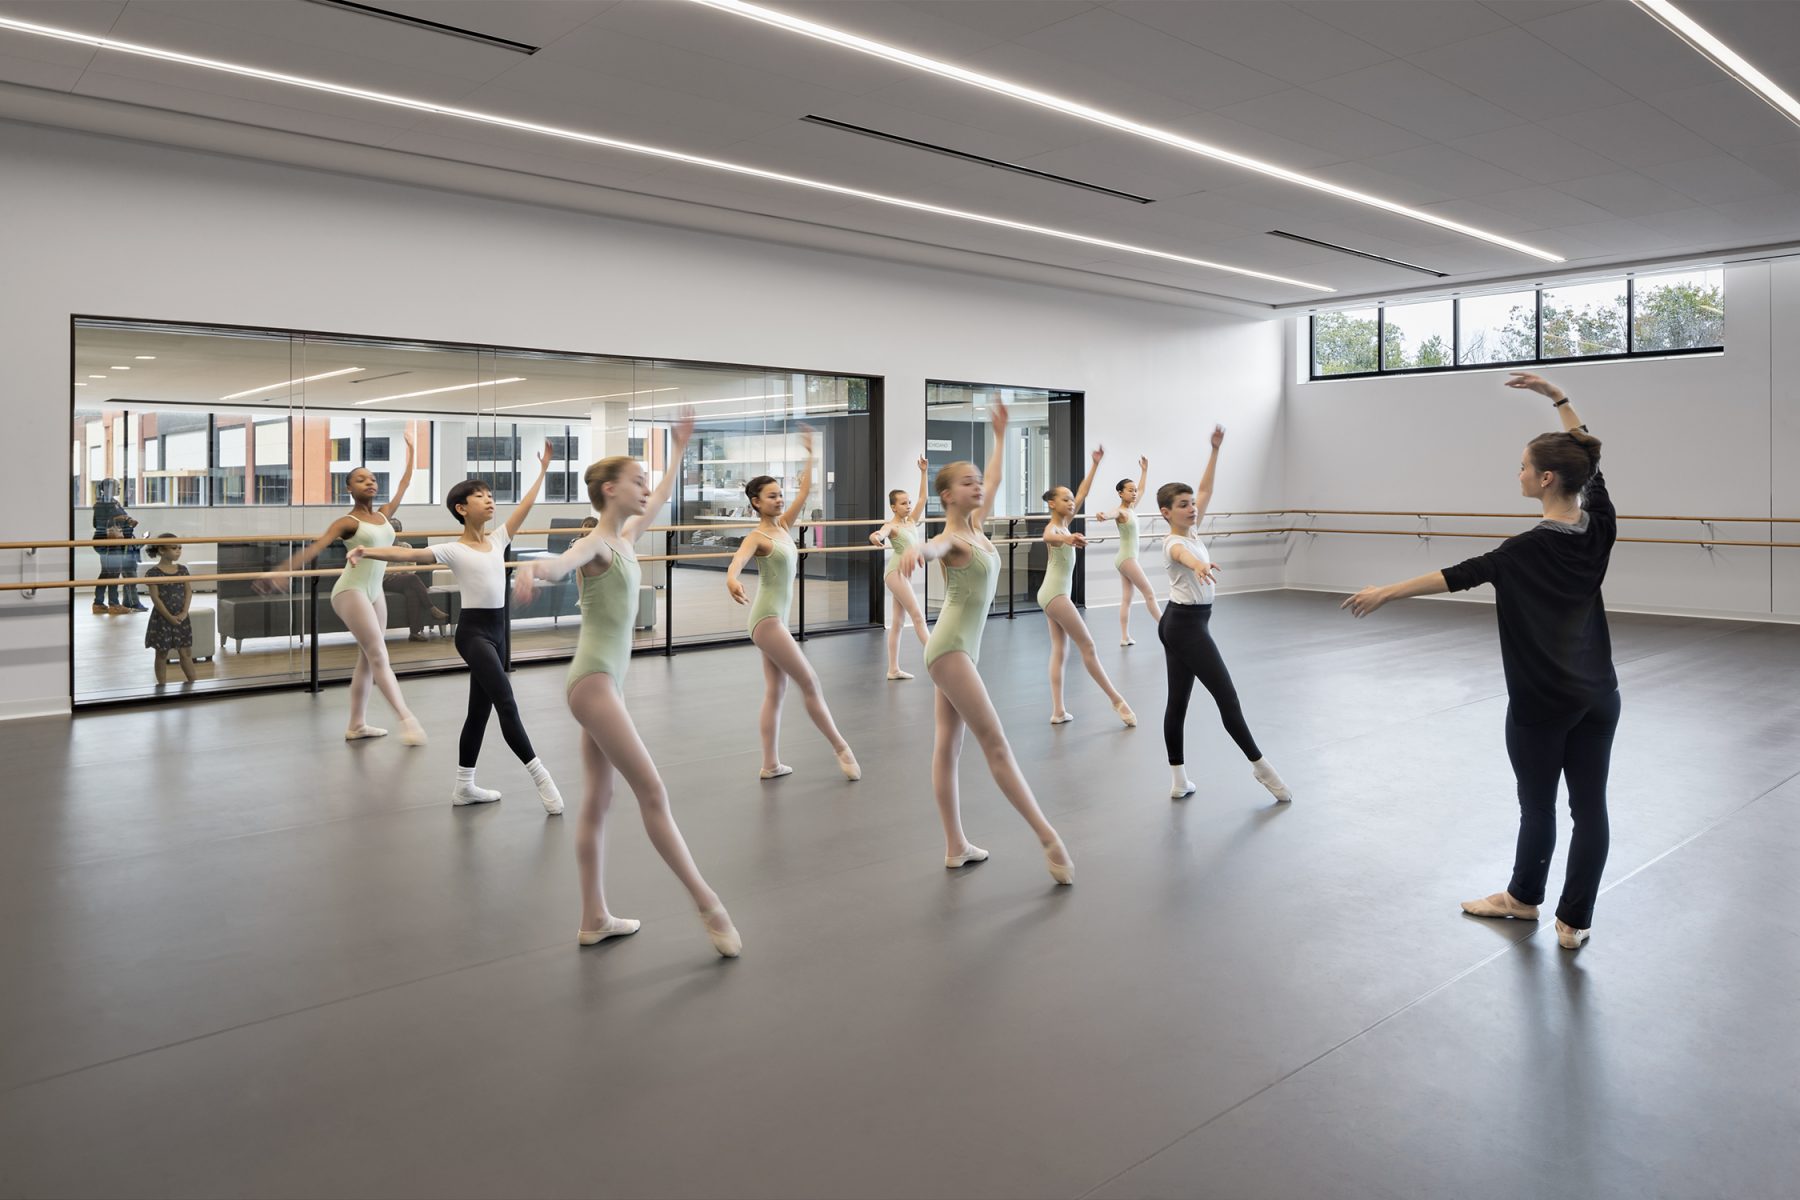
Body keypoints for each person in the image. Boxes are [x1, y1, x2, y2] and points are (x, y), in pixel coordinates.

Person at [1343, 372, 1615, 950]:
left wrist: (1384, 592)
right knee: (1590, 809)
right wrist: (1560, 399)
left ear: (1545, 479)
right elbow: (1591, 461)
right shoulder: (1601, 527)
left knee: (1538, 805)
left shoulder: (1525, 549)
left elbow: (1456, 576)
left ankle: (1522, 899)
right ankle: (1573, 923)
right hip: (1599, 695)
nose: (1516, 473)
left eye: (1522, 466)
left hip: (1542, 701)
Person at [514, 410, 741, 956]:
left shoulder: (627, 539)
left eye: (645, 480)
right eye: (636, 481)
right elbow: (559, 564)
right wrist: (529, 570)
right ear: (610, 490)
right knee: (653, 792)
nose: (645, 489)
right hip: (592, 683)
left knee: (597, 800)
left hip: (602, 683)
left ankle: (593, 917)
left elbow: (660, 498)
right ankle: (709, 905)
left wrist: (681, 449)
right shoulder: (595, 545)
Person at [897, 398, 1072, 884]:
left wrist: (1000, 435)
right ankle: (1048, 838)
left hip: (959, 648)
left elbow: (994, 479)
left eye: (978, 481)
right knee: (995, 743)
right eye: (966, 482)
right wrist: (917, 548)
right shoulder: (952, 538)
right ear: (947, 496)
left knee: (948, 747)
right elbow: (932, 547)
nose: (978, 486)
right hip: (949, 648)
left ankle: (955, 846)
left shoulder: (975, 526)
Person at [348, 444, 564, 814]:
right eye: (480, 497)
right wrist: (367, 552)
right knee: (506, 703)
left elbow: (525, 506)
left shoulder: (498, 540)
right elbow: (408, 555)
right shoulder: (452, 548)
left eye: (491, 496)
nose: (489, 501)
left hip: (500, 632)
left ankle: (465, 787)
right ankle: (542, 777)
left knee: (478, 712)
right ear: (462, 509)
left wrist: (543, 470)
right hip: (474, 634)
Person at [257, 433, 425, 746]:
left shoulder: (384, 515)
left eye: (373, 479)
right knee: (378, 655)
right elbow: (316, 546)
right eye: (361, 480)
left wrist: (413, 452)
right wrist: (281, 571)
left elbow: (404, 483)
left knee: (368, 659)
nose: (369, 483)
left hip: (375, 592)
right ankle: (407, 718)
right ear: (349, 488)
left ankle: (356, 724)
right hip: (351, 591)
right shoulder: (347, 522)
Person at [1157, 424, 1292, 804]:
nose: (1192, 507)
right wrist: (1198, 567)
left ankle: (1178, 779)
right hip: (1185, 627)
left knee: (1177, 702)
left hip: (1180, 623)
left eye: (1191, 504)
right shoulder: (1173, 543)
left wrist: (1214, 451)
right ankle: (1262, 767)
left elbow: (1206, 491)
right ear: (1166, 512)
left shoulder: (1193, 531)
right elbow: (1182, 557)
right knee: (1227, 698)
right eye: (1182, 505)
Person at [725, 427, 861, 782]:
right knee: (809, 681)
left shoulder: (784, 526)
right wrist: (731, 577)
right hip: (767, 620)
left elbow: (804, 492)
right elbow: (738, 559)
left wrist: (811, 457)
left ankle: (770, 764)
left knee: (776, 690)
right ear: (756, 501)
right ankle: (841, 747)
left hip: (775, 621)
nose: (779, 500)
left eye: (779, 494)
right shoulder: (757, 536)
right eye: (771, 496)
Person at [1037, 446, 1135, 727]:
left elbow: (1083, 492)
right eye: (1064, 499)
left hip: (1050, 594)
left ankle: (1058, 711)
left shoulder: (1066, 523)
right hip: (1055, 595)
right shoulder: (1056, 529)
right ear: (1052, 504)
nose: (1071, 502)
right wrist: (1067, 541)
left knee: (1060, 650)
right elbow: (1047, 536)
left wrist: (1094, 465)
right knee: (1088, 647)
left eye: (1070, 499)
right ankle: (1117, 700)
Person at [869, 454, 932, 680]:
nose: (908, 505)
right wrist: (876, 537)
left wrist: (923, 472)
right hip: (895, 573)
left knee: (897, 622)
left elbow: (923, 497)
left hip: (902, 574)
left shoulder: (911, 521)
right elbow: (880, 533)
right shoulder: (892, 525)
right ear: (893, 507)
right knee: (917, 616)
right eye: (904, 503)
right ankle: (938, 658)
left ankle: (893, 669)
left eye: (908, 502)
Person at [1093, 457, 1163, 646]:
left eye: (1134, 490)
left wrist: (1145, 471)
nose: (1134, 493)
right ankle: (1168, 630)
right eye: (1129, 491)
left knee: (1127, 598)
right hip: (1127, 559)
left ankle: (1124, 637)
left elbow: (1142, 490)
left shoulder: (1132, 508)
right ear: (1120, 493)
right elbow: (1111, 514)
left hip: (1124, 559)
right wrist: (1103, 515)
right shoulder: (1121, 511)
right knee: (1149, 593)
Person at [382, 517, 448, 641]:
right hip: (386, 580)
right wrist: (399, 574)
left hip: (404, 580)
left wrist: (402, 574)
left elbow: (413, 567)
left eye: (397, 530)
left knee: (412, 592)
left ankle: (414, 632)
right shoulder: (381, 547)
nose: (395, 533)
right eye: (392, 530)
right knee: (412, 579)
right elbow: (381, 569)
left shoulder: (406, 546)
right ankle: (431, 608)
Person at [143, 533, 196, 686]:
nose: (178, 551)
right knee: (161, 653)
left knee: (186, 652)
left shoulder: (183, 570)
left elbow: (188, 591)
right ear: (161, 550)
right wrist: (169, 617)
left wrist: (184, 612)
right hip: (162, 618)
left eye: (180, 548)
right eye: (174, 548)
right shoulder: (153, 573)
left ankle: (194, 683)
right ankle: (162, 685)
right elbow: (155, 598)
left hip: (181, 617)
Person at [91, 479, 143, 614]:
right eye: (116, 486)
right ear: (108, 488)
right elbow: (99, 524)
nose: (119, 489)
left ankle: (98, 603)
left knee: (106, 573)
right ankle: (114, 604)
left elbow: (123, 516)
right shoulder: (101, 504)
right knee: (113, 573)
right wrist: (118, 519)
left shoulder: (114, 503)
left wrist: (128, 520)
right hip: (108, 543)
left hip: (115, 542)